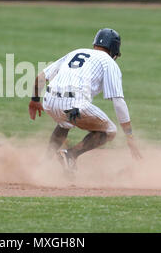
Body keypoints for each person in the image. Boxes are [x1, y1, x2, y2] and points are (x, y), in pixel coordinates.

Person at [28, 28, 142, 175]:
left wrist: (34, 100)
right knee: (110, 131)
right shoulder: (109, 62)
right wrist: (129, 136)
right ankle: (70, 155)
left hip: (48, 101)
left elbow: (40, 77)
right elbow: (118, 102)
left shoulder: (75, 52)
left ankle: (44, 162)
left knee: (65, 122)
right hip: (74, 103)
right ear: (114, 49)